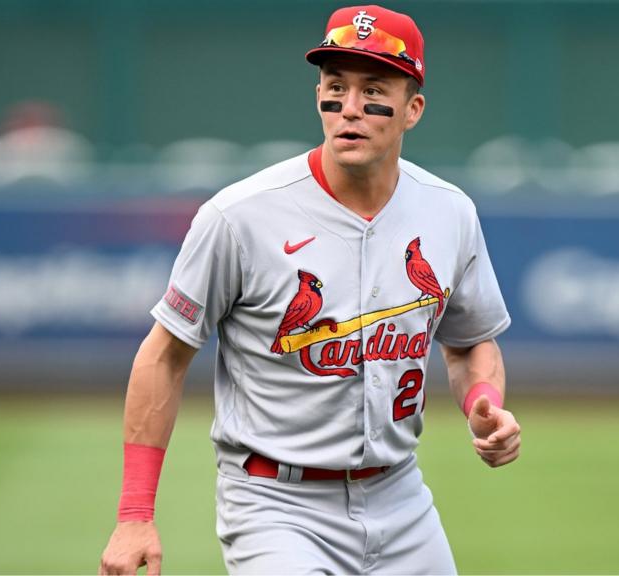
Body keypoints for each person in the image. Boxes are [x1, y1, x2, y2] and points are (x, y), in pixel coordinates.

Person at [99, 5, 521, 574]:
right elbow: (164, 355)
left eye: (373, 89)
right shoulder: (240, 216)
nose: (350, 107)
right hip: (276, 504)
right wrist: (133, 513)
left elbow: (470, 342)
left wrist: (483, 403)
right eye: (336, 86)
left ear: (412, 109)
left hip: (401, 498)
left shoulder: (449, 213)